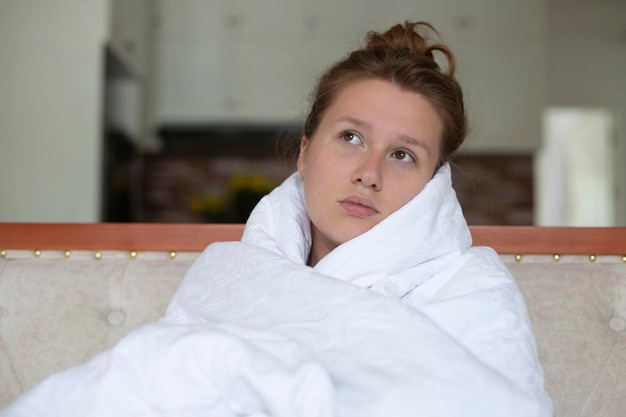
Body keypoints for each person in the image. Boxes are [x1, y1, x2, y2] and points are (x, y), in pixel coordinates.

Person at [1, 21, 553, 417]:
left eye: (403, 154)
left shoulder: (471, 288)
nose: (369, 172)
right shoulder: (238, 272)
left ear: (434, 185)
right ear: (305, 152)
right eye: (351, 137)